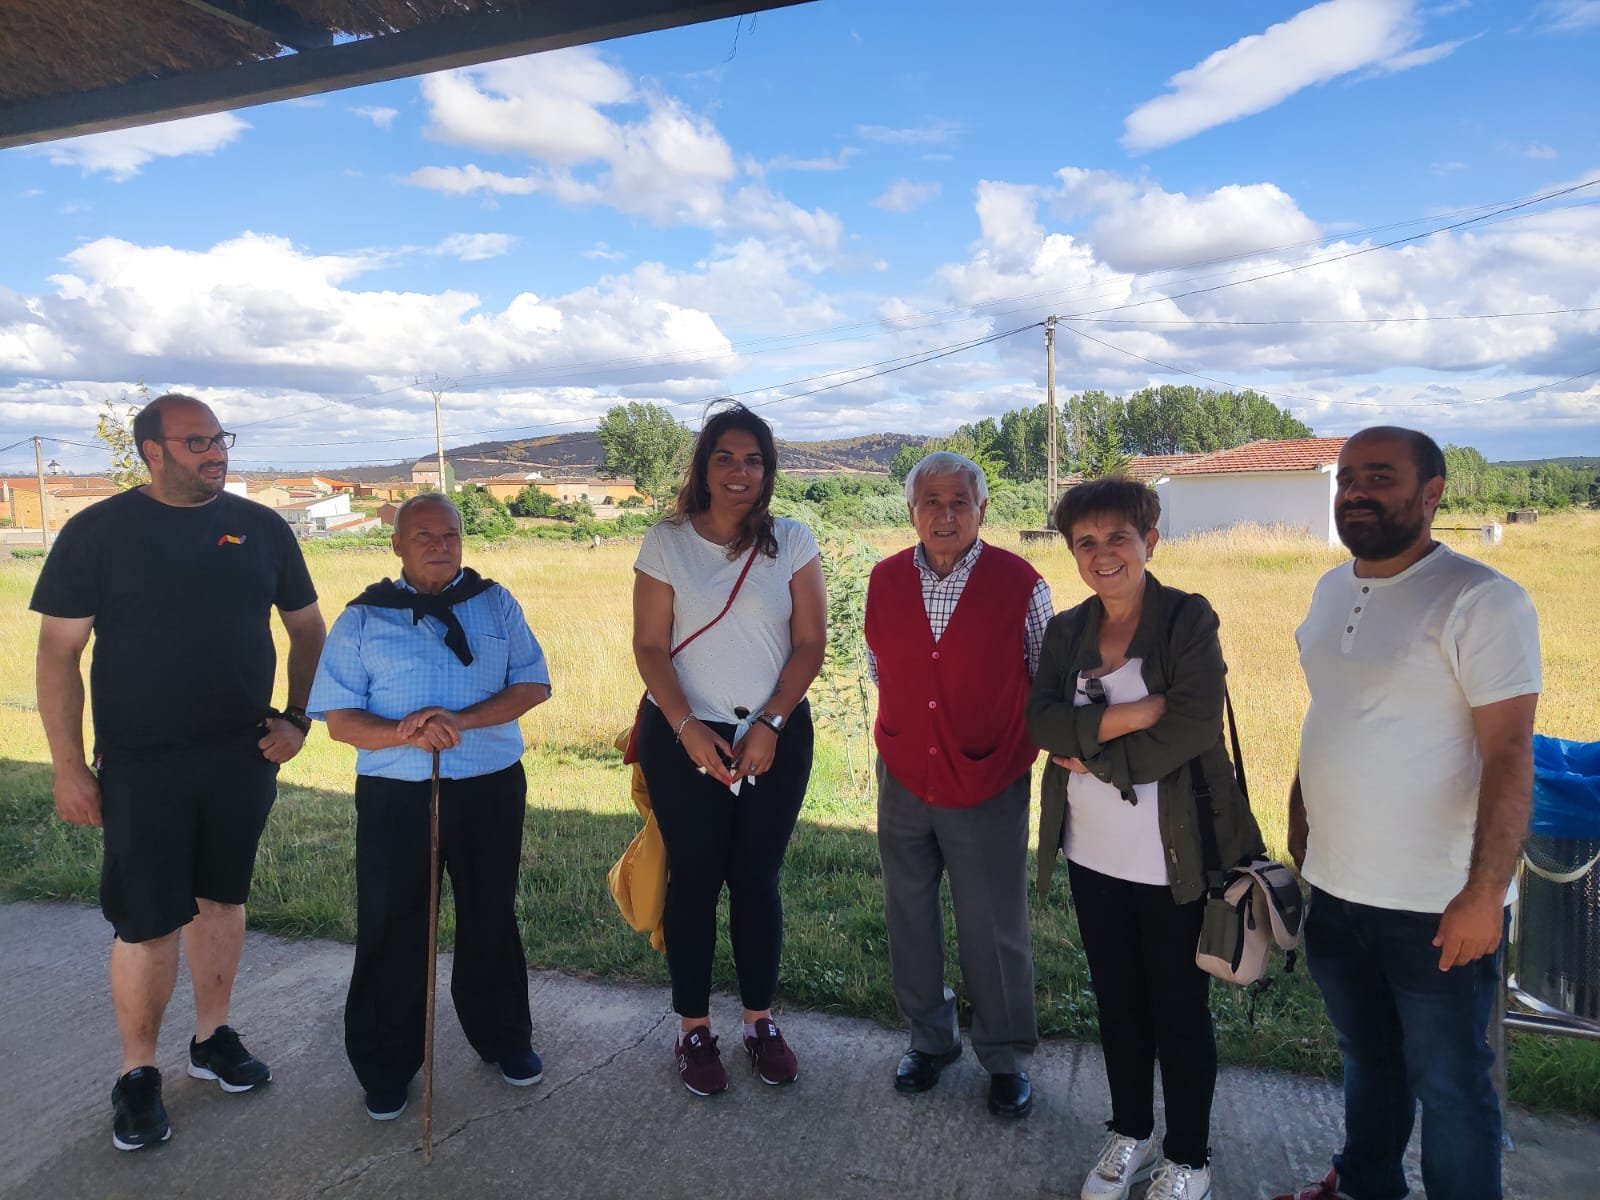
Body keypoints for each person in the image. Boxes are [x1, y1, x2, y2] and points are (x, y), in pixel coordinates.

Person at [31, 393, 327, 1152]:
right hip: (142, 762)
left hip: (241, 753)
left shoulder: (261, 528)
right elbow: (58, 655)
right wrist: (69, 766)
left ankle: (212, 1038)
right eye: (196, 441)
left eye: (219, 438)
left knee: (223, 900)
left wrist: (297, 718)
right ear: (151, 451)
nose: (215, 452)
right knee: (148, 919)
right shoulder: (96, 533)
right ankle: (137, 1075)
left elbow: (306, 629)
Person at [1273, 428, 1540, 1200]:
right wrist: (1300, 811)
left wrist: (1484, 893)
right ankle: (1363, 1182)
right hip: (1340, 886)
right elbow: (1335, 711)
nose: (1356, 491)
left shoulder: (1480, 599)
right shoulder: (1332, 588)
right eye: (1349, 477)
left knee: (1451, 1088)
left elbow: (1509, 755)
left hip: (1436, 905)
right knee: (1367, 1056)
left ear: (1432, 493)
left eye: (1379, 477)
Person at [1025, 476, 1262, 1200]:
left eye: (1118, 538)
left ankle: (1189, 1157)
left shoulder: (1187, 620)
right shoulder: (1067, 630)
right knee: (1117, 1001)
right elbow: (1040, 724)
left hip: (1174, 858)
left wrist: (1092, 750)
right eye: (1086, 542)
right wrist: (1132, 715)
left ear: (1149, 542)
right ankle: (1129, 1131)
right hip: (1092, 853)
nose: (1103, 555)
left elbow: (1190, 726)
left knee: (1178, 1008)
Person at [308, 493, 552, 1121]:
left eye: (450, 534)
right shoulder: (363, 617)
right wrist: (406, 732)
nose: (440, 546)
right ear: (396, 544)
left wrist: (461, 720)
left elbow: (532, 684)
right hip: (396, 795)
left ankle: (504, 1039)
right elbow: (338, 721)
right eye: (424, 535)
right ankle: (386, 1063)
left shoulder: (496, 602)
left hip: (490, 785)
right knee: (392, 923)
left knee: (489, 913)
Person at [631, 401, 825, 1096]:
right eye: (725, 458)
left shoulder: (794, 541)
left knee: (756, 878)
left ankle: (758, 1021)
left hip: (774, 736)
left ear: (768, 471)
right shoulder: (666, 541)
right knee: (693, 879)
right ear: (704, 467)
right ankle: (692, 1028)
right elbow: (650, 646)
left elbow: (810, 644)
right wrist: (685, 728)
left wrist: (772, 721)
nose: (740, 472)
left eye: (753, 460)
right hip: (685, 732)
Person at [863, 451, 1052, 1120]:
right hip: (906, 776)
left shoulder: (1022, 583)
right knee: (908, 913)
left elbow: (1046, 682)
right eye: (931, 501)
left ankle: (1004, 1057)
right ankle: (930, 1040)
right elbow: (884, 671)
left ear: (982, 510)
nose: (945, 514)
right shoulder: (883, 580)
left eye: (959, 501)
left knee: (993, 924)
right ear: (911, 510)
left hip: (989, 779)